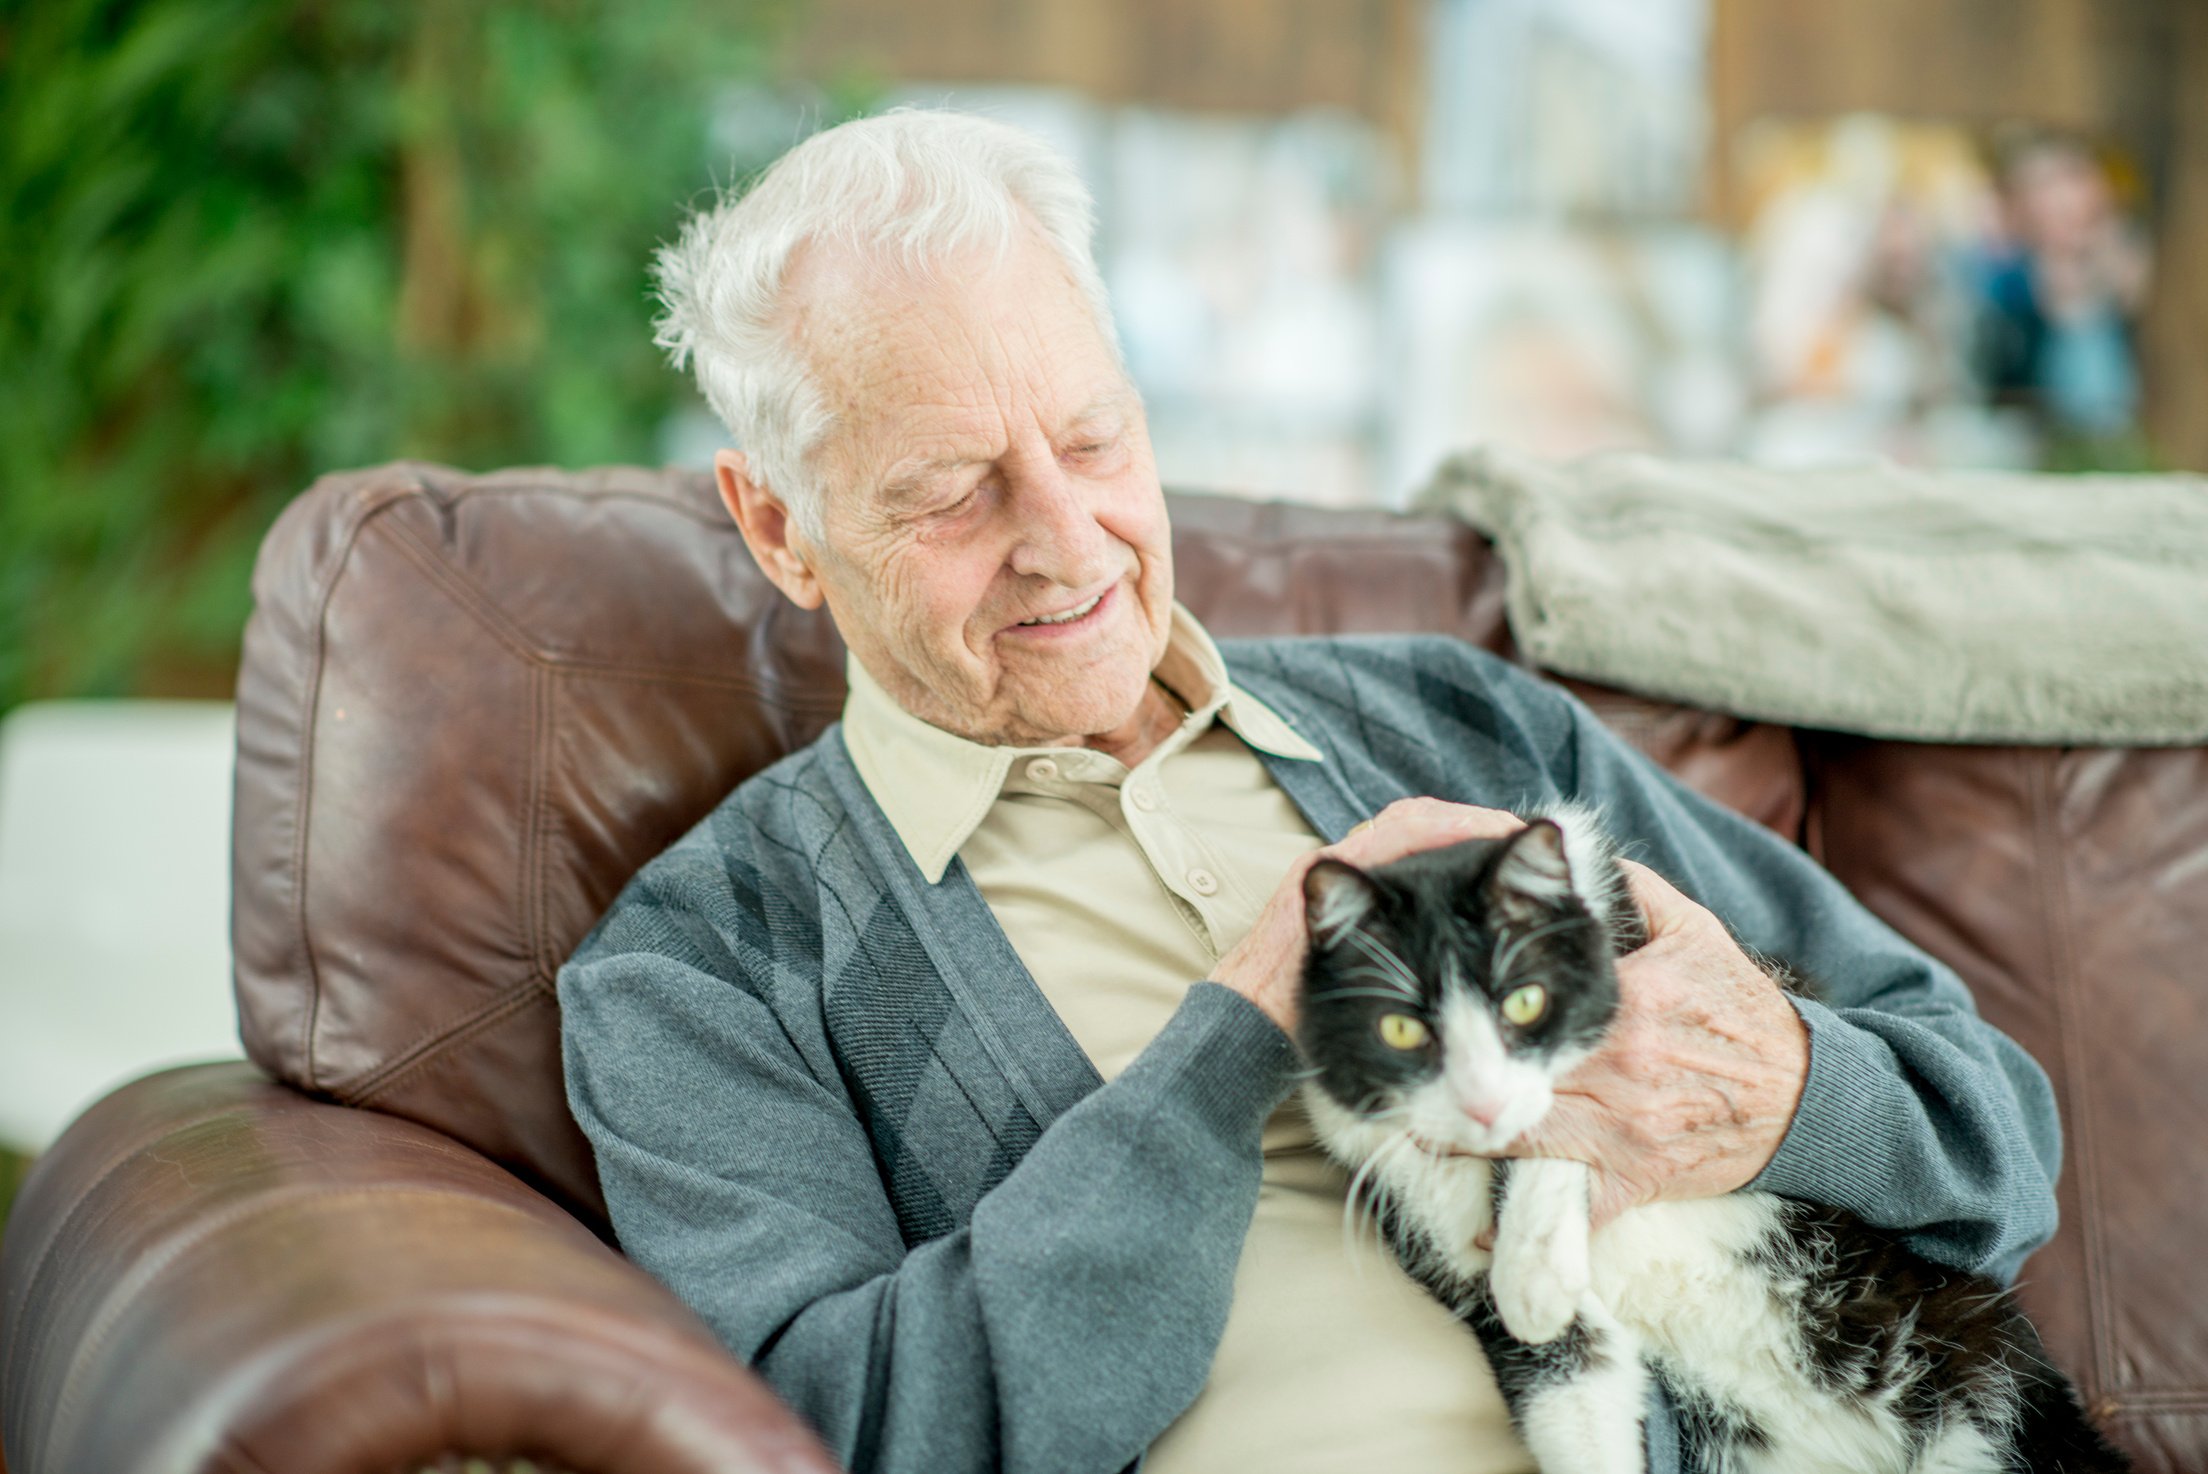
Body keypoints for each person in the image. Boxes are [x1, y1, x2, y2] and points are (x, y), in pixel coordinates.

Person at [557, 109, 2059, 1474]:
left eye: (1091, 437)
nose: (1067, 541)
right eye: (950, 490)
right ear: (779, 526)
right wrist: (1241, 1028)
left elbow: (1995, 1134)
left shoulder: (1451, 719)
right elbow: (863, 1433)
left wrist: (1780, 1089)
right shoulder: (709, 962)